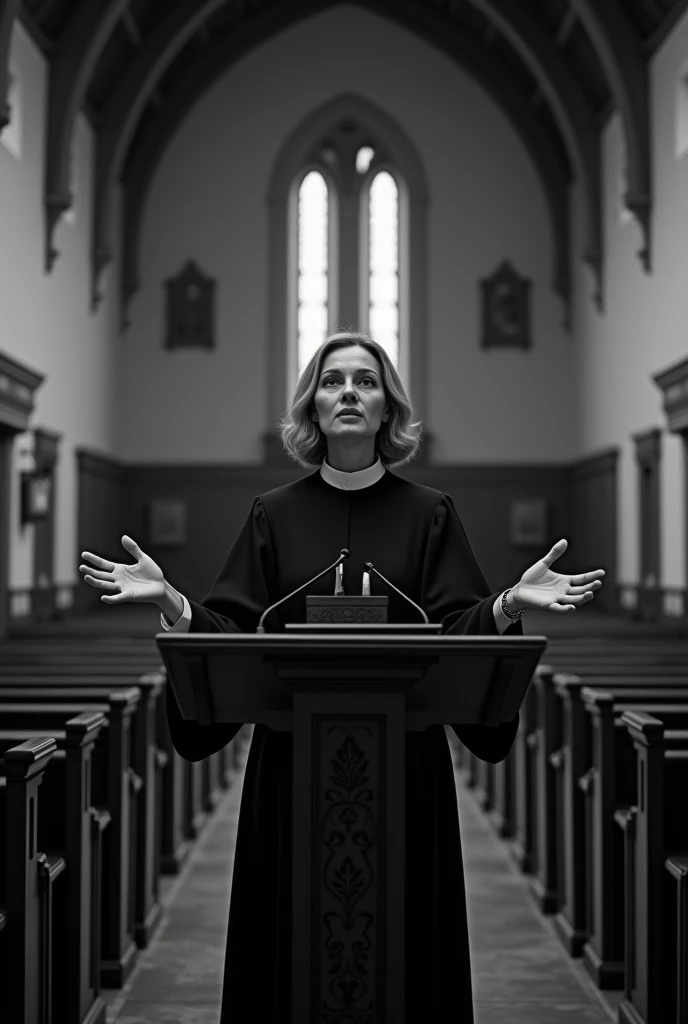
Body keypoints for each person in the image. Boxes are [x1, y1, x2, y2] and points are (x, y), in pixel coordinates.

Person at [79, 329, 605, 1022]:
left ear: (388, 408)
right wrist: (173, 603)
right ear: (312, 409)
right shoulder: (273, 513)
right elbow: (231, 638)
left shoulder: (430, 513)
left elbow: (456, 638)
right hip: (290, 773)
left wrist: (506, 604)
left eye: (365, 381)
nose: (348, 393)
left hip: (406, 772)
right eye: (332, 382)